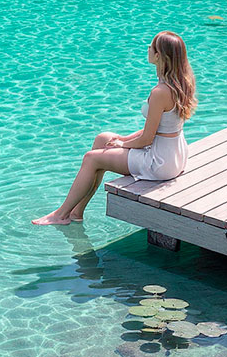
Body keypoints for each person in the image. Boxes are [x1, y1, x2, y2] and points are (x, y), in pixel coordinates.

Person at [32, 31, 197, 225]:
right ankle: (76, 212)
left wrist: (122, 144)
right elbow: (161, 129)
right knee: (103, 138)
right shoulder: (181, 83)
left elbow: (147, 139)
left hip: (159, 162)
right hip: (173, 155)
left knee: (91, 158)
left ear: (160, 56)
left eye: (151, 47)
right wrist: (122, 139)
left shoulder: (160, 92)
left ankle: (60, 215)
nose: (148, 49)